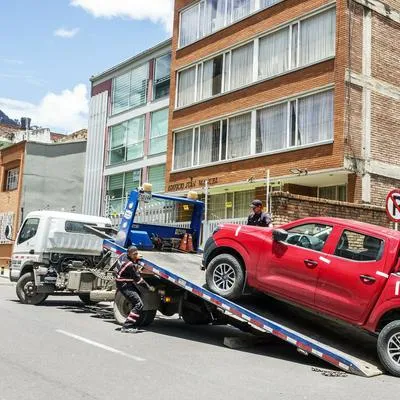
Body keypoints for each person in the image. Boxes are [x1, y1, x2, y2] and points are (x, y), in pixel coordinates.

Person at [115, 245, 154, 333]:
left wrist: (135, 258)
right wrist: (149, 288)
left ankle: (133, 318)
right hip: (124, 284)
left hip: (123, 281)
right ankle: (127, 326)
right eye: (134, 254)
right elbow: (139, 280)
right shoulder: (129, 265)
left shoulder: (123, 255)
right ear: (129, 254)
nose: (136, 255)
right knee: (139, 304)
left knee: (137, 298)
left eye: (136, 253)